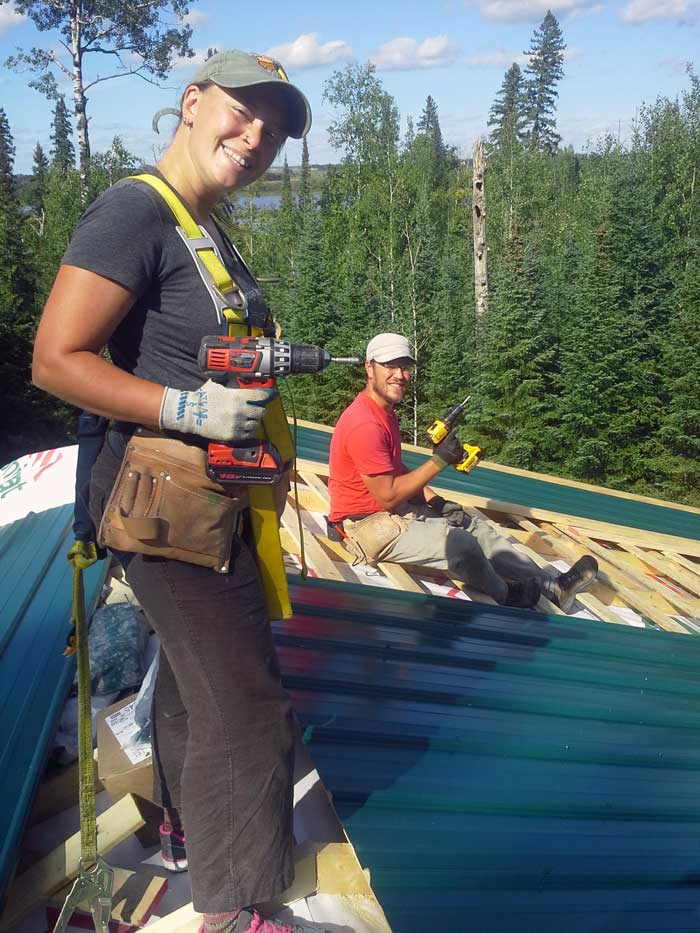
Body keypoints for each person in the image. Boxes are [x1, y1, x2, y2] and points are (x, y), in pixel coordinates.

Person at [33, 50, 331, 933]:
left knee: (196, 679)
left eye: (274, 133)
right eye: (243, 114)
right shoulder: (134, 211)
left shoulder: (202, 223)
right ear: (193, 103)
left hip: (205, 497)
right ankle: (239, 906)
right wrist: (182, 404)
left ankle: (175, 827)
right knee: (246, 699)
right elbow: (56, 358)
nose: (257, 138)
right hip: (169, 508)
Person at [328, 333, 598, 611]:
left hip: (395, 509)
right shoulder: (365, 424)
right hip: (364, 526)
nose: (400, 375)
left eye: (405, 367)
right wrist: (440, 460)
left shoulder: (385, 412)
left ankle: (553, 586)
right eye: (390, 366)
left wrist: (436, 501)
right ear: (369, 368)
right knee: (460, 545)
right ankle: (507, 595)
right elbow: (386, 495)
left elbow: (394, 469)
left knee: (472, 526)